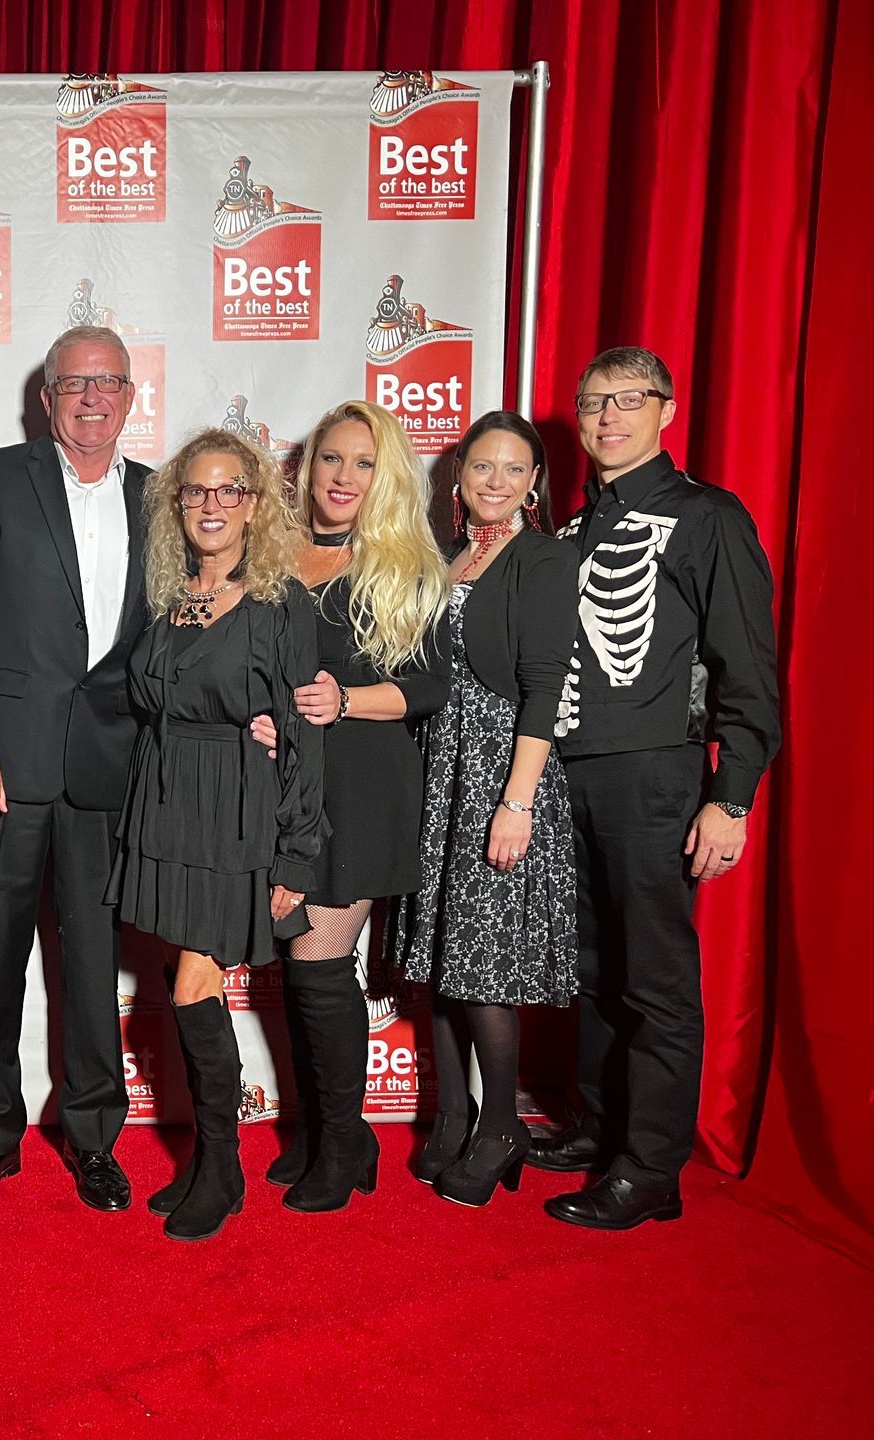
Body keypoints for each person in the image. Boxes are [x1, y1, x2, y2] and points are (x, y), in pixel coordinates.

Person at [534, 347, 780, 1230]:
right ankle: (600, 1130)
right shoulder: (571, 531)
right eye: (593, 402)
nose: (607, 417)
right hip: (570, 775)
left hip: (657, 776)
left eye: (627, 400)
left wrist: (734, 794)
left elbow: (747, 664)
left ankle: (652, 1170)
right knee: (594, 970)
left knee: (658, 977)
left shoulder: (708, 517)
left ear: (666, 410)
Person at [0, 324, 151, 1215]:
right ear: (46, 397)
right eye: (75, 383)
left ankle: (95, 1134)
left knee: (93, 965)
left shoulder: (158, 492)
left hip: (111, 767)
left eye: (109, 383)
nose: (92, 397)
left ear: (130, 397)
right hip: (7, 767)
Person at [109, 428, 325, 1241]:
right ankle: (208, 1157)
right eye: (195, 490)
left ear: (255, 505)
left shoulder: (276, 604)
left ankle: (225, 1164)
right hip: (165, 805)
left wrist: (296, 853)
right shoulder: (169, 598)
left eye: (229, 489)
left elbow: (304, 734)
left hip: (235, 809)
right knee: (178, 977)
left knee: (198, 983)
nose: (211, 504)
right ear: (178, 505)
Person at [269, 399, 450, 1213]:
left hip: (363, 786)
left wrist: (347, 700)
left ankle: (344, 1142)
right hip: (285, 788)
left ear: (386, 478)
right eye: (333, 459)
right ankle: (322, 1131)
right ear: (310, 470)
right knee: (297, 967)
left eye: (364, 462)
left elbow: (430, 686)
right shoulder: (273, 558)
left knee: (319, 968)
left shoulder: (402, 563)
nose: (344, 476)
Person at [395, 411, 579, 1207]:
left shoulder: (543, 559)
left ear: (534, 483)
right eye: (481, 468)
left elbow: (544, 688)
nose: (495, 482)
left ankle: (502, 1125)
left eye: (513, 469)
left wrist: (517, 802)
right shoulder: (445, 559)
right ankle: (452, 1114)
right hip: (440, 764)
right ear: (459, 479)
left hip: (502, 766)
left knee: (483, 960)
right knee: (441, 955)